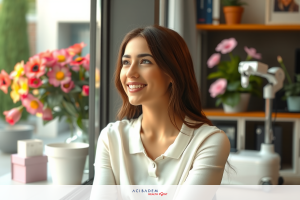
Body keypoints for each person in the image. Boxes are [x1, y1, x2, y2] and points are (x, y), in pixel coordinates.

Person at [92, 25, 230, 186]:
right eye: (126, 62)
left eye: (145, 61)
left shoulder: (209, 141)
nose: (130, 72)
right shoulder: (111, 138)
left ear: (172, 72)